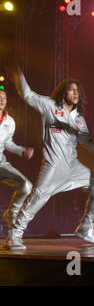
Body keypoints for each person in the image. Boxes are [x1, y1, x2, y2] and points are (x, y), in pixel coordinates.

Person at [5, 67, 94, 250]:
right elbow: (27, 95)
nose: (75, 93)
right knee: (38, 197)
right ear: (63, 92)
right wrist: (19, 75)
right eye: (72, 89)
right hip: (53, 166)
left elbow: (87, 143)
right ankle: (15, 235)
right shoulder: (50, 106)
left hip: (73, 166)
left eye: (78, 90)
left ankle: (86, 227)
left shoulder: (79, 119)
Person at [0, 88, 34, 229]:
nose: (2, 100)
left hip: (1, 164)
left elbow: (7, 142)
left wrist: (22, 151)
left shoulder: (10, 121)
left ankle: (12, 212)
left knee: (26, 186)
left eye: (4, 97)